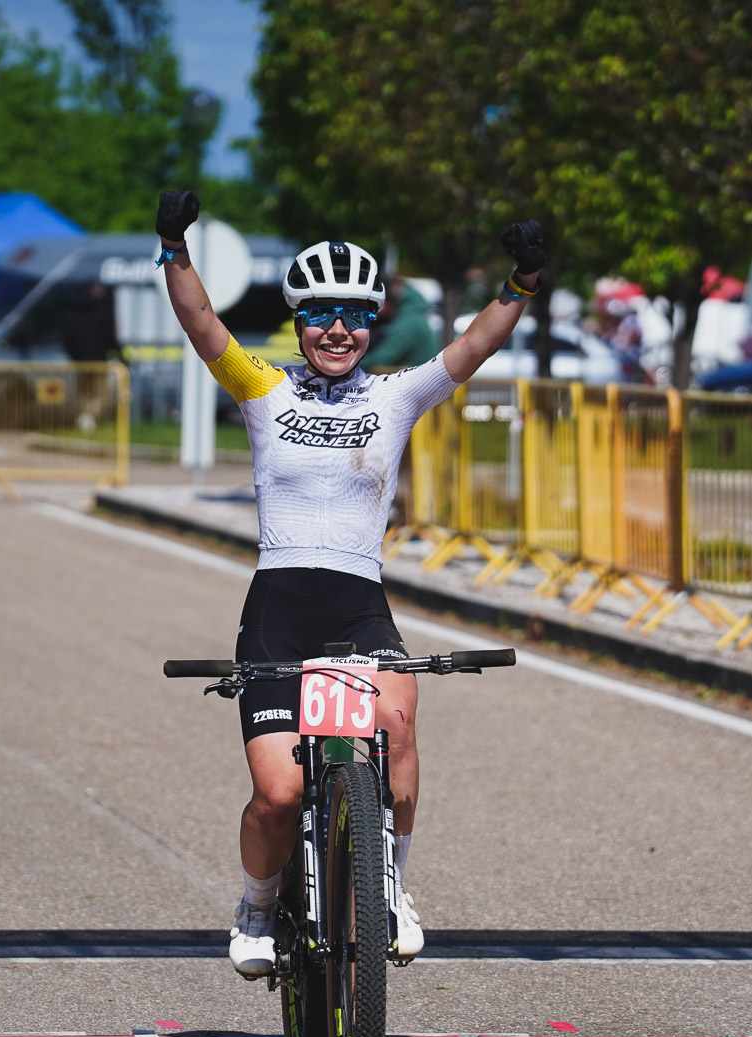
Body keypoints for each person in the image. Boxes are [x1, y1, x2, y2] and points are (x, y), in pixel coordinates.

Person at [154, 188, 548, 978]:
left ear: (373, 323)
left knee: (398, 731)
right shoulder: (263, 387)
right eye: (322, 315)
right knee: (275, 795)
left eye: (357, 315)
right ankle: (258, 906)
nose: (339, 330)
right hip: (277, 611)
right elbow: (202, 326)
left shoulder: (395, 395)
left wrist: (525, 280)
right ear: (299, 322)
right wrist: (174, 246)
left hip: (357, 604)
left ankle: (392, 886)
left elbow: (474, 346)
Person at [366, 276, 439, 369]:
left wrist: (353, 364)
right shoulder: (411, 316)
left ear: (386, 303)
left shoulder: (408, 323)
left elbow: (382, 358)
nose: (374, 311)